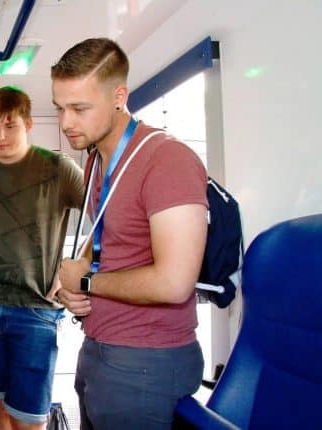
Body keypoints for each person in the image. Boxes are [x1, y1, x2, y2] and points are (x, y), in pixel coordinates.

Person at [51, 38, 208, 430]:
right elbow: (108, 241)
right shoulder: (94, 164)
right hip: (98, 352)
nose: (66, 122)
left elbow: (174, 283)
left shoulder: (166, 159)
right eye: (60, 108)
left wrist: (87, 280)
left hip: (145, 363)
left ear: (119, 96)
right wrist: (73, 281)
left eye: (79, 108)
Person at [0, 86, 84, 430]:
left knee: (30, 420)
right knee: (0, 413)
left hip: (35, 310)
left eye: (9, 126)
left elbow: (107, 218)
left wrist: (73, 268)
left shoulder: (58, 168)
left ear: (28, 124)